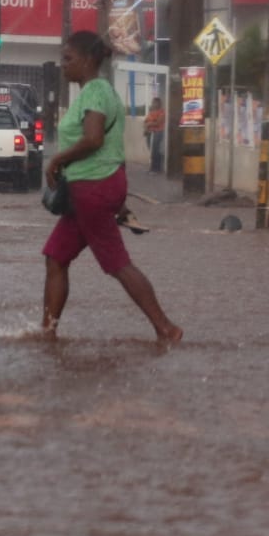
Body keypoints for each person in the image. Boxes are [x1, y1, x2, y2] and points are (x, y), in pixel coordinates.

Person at [41, 31, 182, 346]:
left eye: (68, 59)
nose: (62, 66)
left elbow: (93, 139)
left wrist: (56, 161)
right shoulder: (96, 92)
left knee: (117, 263)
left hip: (93, 188)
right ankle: (47, 334)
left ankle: (166, 328)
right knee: (55, 257)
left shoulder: (95, 92)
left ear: (88, 60)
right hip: (91, 189)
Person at [143, 95, 167, 173]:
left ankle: (156, 169)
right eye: (153, 102)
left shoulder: (162, 112)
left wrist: (149, 124)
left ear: (159, 103)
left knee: (155, 151)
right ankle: (152, 168)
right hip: (150, 133)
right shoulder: (151, 112)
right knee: (151, 151)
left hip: (157, 133)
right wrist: (146, 127)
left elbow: (158, 123)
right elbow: (146, 121)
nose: (153, 104)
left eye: (155, 103)